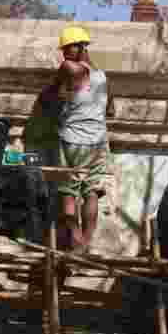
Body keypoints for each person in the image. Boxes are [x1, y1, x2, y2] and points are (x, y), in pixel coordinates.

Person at [54, 25, 113, 254]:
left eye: (65, 48)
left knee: (69, 191)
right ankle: (87, 243)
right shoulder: (102, 76)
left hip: (73, 139)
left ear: (72, 48)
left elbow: (53, 90)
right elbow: (111, 109)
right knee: (91, 191)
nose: (63, 53)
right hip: (99, 140)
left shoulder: (68, 68)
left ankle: (75, 240)